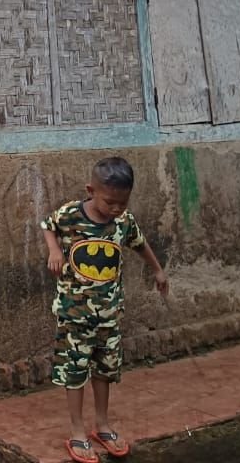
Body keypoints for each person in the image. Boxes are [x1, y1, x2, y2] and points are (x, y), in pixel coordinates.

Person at [42, 157, 168, 462]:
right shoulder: (71, 214)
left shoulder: (124, 222)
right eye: (110, 202)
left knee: (105, 370)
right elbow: (48, 225)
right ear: (91, 190)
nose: (115, 209)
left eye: (122, 203)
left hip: (109, 314)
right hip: (74, 314)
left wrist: (158, 271)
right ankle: (77, 431)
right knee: (74, 372)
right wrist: (55, 250)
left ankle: (102, 425)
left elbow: (139, 243)